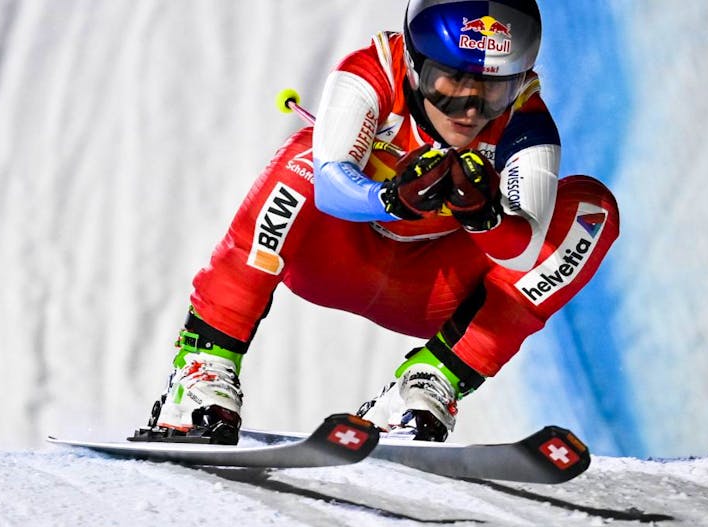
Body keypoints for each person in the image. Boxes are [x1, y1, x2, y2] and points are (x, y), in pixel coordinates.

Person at [138, 0, 619, 444]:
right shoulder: (372, 72)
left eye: (494, 89)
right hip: (336, 257)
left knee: (591, 211)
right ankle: (204, 365)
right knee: (303, 157)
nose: (471, 110)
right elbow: (330, 185)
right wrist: (391, 197)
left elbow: (524, 252)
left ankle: (430, 381)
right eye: (450, 81)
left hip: (434, 290)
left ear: (521, 79)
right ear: (414, 62)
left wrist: (484, 218)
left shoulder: (526, 120)